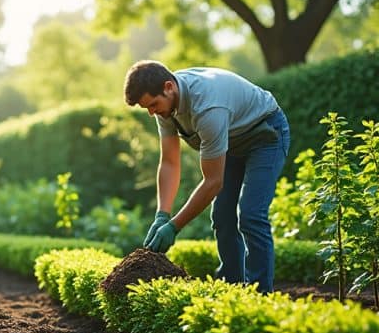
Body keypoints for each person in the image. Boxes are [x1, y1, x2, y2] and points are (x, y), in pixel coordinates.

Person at [124, 61, 290, 293]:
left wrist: (174, 227)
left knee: (251, 214)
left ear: (169, 87)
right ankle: (231, 288)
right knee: (222, 215)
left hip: (265, 135)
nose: (152, 112)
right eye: (147, 108)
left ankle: (259, 295)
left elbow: (213, 182)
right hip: (231, 141)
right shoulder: (166, 105)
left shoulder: (208, 107)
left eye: (153, 105)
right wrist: (162, 215)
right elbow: (170, 162)